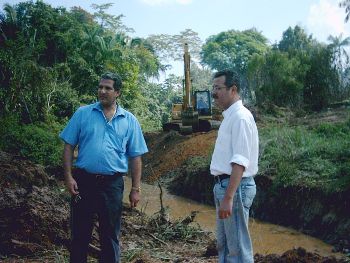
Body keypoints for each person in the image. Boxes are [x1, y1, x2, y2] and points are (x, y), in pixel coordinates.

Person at [59, 72, 148, 263]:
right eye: (100, 87)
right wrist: (68, 176)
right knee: (80, 234)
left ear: (117, 93)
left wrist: (135, 188)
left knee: (110, 236)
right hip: (83, 181)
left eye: (108, 88)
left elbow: (136, 157)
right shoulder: (83, 114)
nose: (102, 91)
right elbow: (68, 146)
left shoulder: (129, 120)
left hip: (112, 185)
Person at [210, 70, 258, 263]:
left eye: (218, 88)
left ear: (233, 89)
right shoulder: (230, 117)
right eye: (213, 88)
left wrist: (229, 197)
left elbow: (240, 161)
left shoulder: (240, 117)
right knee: (225, 245)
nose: (214, 93)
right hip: (225, 186)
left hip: (235, 188)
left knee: (237, 249)